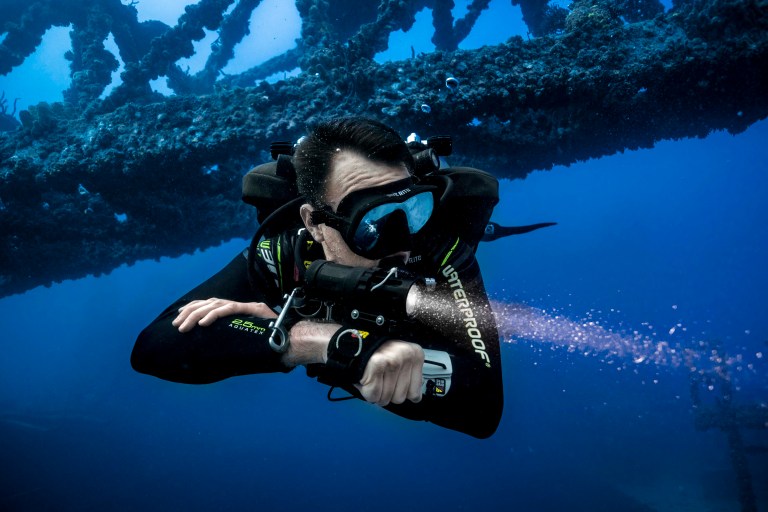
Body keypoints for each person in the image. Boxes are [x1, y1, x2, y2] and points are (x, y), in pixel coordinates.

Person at [131, 117, 503, 439]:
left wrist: (395, 359)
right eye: (372, 224)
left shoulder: (441, 251)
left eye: (413, 209)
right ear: (314, 223)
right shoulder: (283, 253)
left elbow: (483, 409)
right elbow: (154, 347)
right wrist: (312, 339)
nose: (402, 243)